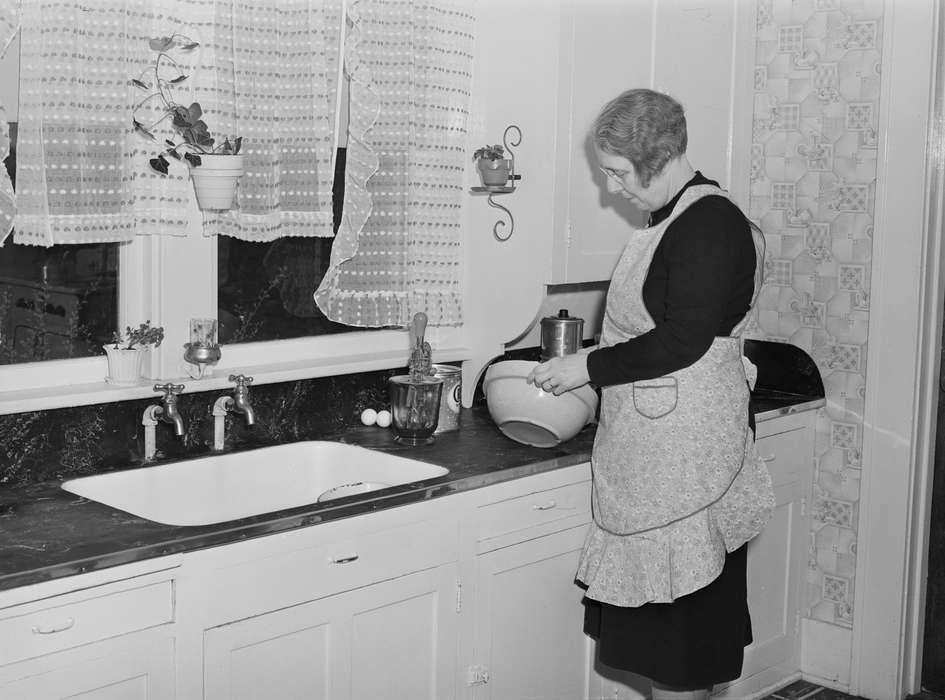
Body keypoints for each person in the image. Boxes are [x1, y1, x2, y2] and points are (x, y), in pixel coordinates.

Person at [527, 88, 776, 699]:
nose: (611, 189)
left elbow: (684, 341)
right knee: (675, 655)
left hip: (687, 473)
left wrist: (589, 366)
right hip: (661, 462)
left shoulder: (710, 225)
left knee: (680, 658)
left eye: (616, 172)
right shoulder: (669, 218)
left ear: (658, 159)